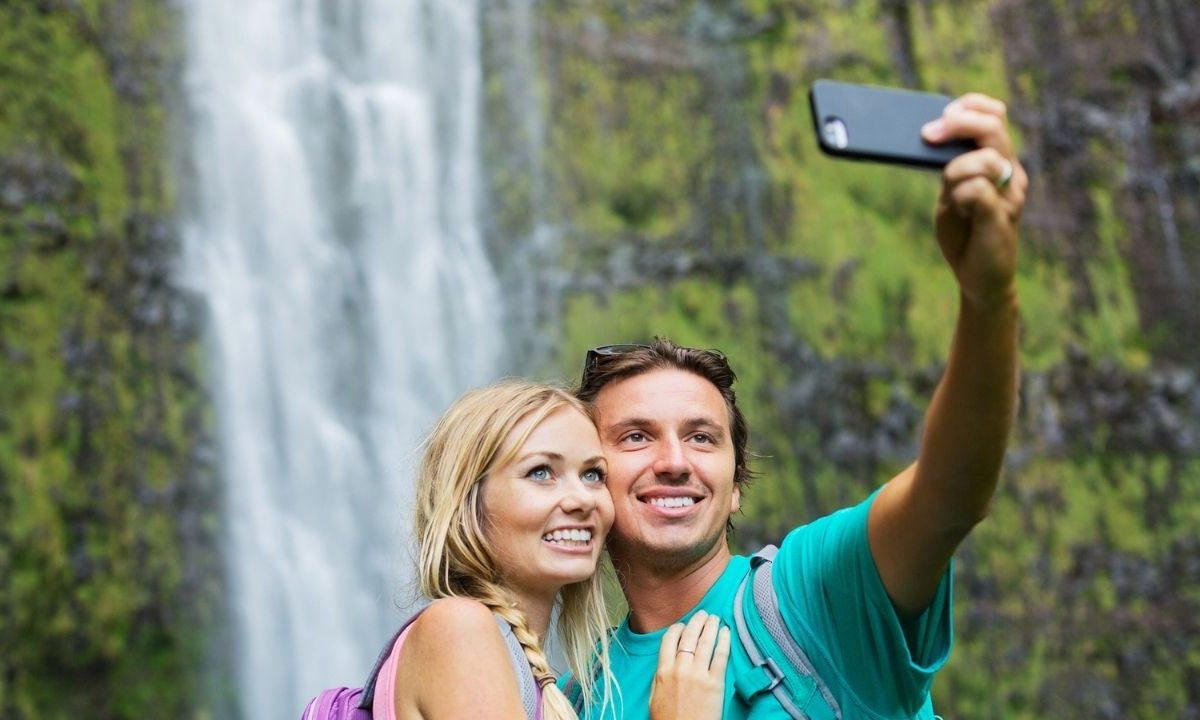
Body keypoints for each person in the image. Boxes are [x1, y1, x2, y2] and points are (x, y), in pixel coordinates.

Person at [570, 92, 1026, 718]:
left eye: (703, 437)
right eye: (635, 437)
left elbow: (953, 490)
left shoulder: (812, 595)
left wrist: (988, 297)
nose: (675, 460)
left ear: (735, 487)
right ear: (588, 485)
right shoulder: (576, 697)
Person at [375, 380, 729, 720]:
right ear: (469, 505)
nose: (581, 499)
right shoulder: (459, 628)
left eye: (593, 475)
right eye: (541, 472)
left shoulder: (547, 680)